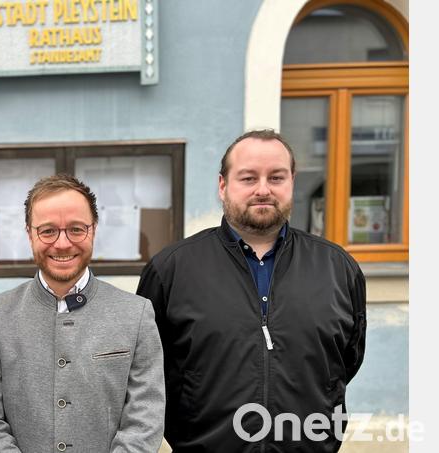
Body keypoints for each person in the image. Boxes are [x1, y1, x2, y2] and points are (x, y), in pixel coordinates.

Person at [137, 129, 367, 452]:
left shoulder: (338, 268)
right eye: (248, 178)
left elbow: (347, 359)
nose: (263, 190)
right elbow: (147, 368)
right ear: (223, 185)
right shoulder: (171, 270)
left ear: (292, 182)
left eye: (276, 177)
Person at [0, 174, 165, 453]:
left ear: (94, 230)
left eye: (76, 229)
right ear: (29, 234)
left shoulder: (136, 314)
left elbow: (145, 418)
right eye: (48, 231)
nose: (62, 244)